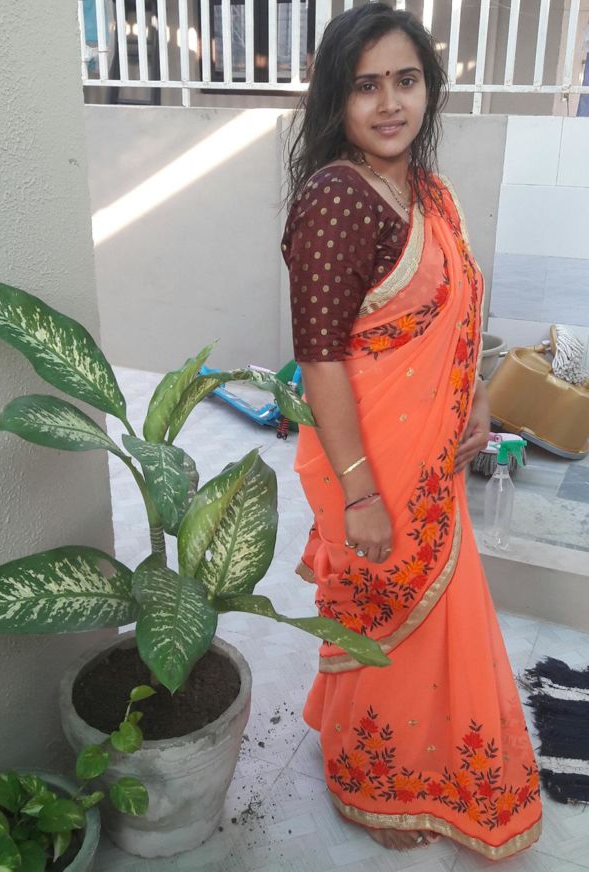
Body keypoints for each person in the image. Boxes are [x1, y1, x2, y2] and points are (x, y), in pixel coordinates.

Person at [281, 3, 542, 860]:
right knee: (382, 623)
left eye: (406, 80)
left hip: (432, 459)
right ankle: (370, 784)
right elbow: (320, 359)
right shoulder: (337, 198)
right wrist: (360, 492)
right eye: (366, 86)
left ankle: (426, 773)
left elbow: (457, 309)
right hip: (372, 464)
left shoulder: (430, 192)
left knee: (432, 631)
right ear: (337, 99)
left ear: (429, 87)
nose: (390, 103)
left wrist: (477, 400)